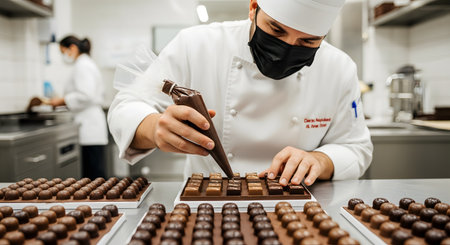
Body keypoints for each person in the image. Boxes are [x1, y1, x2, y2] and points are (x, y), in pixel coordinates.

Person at [108, 0, 373, 186]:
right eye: (276, 29)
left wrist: (321, 160)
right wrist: (153, 127)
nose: (287, 49)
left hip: (300, 208)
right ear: (253, 7)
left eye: (308, 42)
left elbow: (356, 149)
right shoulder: (197, 45)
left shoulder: (339, 68)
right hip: (208, 205)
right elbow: (125, 105)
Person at [50, 35, 108, 179]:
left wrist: (62, 100)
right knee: (93, 174)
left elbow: (86, 95)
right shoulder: (86, 64)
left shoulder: (82, 65)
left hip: (88, 126)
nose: (64, 56)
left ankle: (97, 202)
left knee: (93, 176)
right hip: (89, 124)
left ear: (73, 48)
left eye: (63, 52)